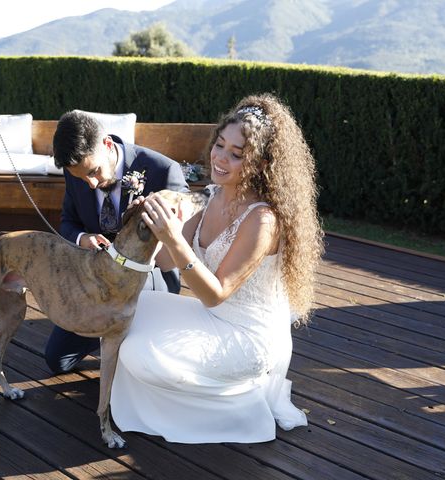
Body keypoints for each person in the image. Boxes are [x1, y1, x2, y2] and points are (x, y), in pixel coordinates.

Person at [110, 93, 324, 443]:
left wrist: (174, 239)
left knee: (136, 353)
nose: (221, 158)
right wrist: (149, 226)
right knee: (130, 310)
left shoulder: (263, 220)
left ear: (261, 163)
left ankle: (236, 414)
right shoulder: (213, 195)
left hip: (247, 336)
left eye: (237, 154)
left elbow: (214, 293)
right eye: (220, 145)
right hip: (212, 317)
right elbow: (167, 261)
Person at [43, 110, 189, 374]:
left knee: (133, 365)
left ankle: (121, 336)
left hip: (150, 277)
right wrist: (82, 237)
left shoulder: (163, 171)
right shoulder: (78, 172)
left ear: (107, 144)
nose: (90, 183)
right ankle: (107, 332)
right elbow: (68, 222)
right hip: (97, 281)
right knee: (57, 360)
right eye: (80, 178)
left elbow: (184, 239)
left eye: (94, 172)